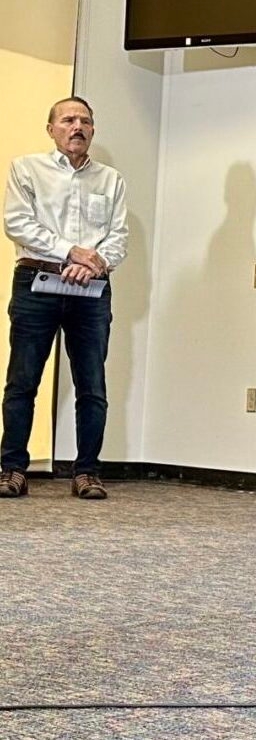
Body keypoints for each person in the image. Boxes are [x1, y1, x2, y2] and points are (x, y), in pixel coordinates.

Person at [1, 97, 127, 500]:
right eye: (68, 120)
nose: (78, 127)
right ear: (51, 128)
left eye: (86, 121)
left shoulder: (111, 180)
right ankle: (12, 469)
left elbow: (120, 236)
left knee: (92, 384)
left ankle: (87, 471)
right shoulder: (27, 169)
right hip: (37, 282)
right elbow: (17, 223)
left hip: (91, 289)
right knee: (23, 381)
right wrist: (71, 251)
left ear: (93, 130)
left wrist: (95, 261)